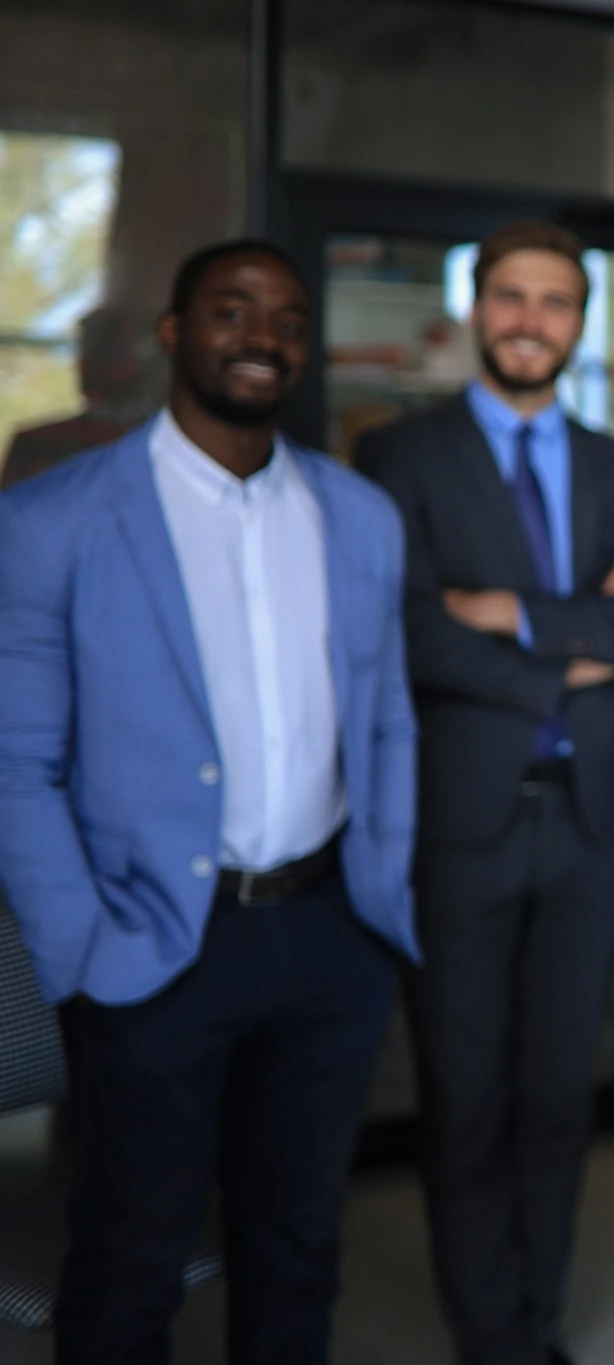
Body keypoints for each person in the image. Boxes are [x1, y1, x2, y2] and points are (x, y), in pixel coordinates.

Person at [0, 240, 417, 1363]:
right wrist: (82, 949)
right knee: (131, 1257)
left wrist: (380, 898)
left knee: (297, 1244)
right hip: (152, 945)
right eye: (233, 310)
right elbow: (16, 762)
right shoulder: (53, 522)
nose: (262, 335)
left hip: (329, 937)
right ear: (175, 335)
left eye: (286, 318)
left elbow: (384, 720)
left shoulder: (360, 518)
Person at [354, 220, 614, 1365]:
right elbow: (411, 637)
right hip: (463, 827)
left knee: (558, 1100)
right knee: (464, 1100)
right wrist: (586, 639)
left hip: (596, 821)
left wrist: (507, 611)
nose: (530, 321)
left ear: (580, 323)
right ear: (474, 309)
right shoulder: (401, 460)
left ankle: (537, 1329)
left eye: (555, 302)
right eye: (510, 296)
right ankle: (485, 1337)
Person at [2, 305, 155, 488]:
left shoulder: (163, 446)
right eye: (88, 351)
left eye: (110, 353)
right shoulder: (35, 445)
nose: (81, 365)